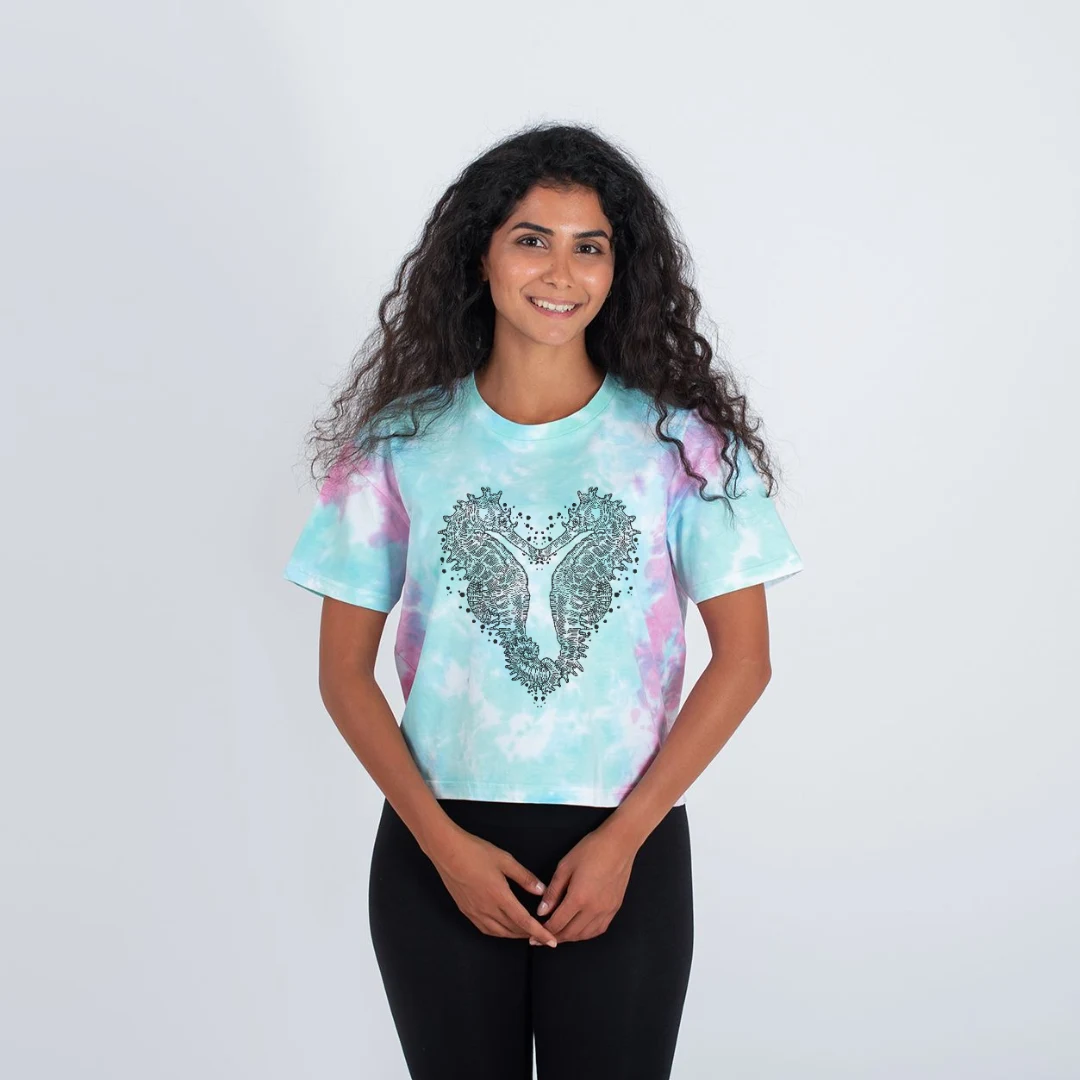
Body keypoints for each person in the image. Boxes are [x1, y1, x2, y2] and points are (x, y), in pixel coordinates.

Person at [282, 121, 804, 1080]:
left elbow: (745, 661)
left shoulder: (683, 448)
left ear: (618, 268)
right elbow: (343, 676)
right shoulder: (400, 445)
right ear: (478, 255)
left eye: (589, 246)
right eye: (532, 239)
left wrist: (622, 843)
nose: (562, 272)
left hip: (624, 846)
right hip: (438, 845)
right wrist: (443, 848)